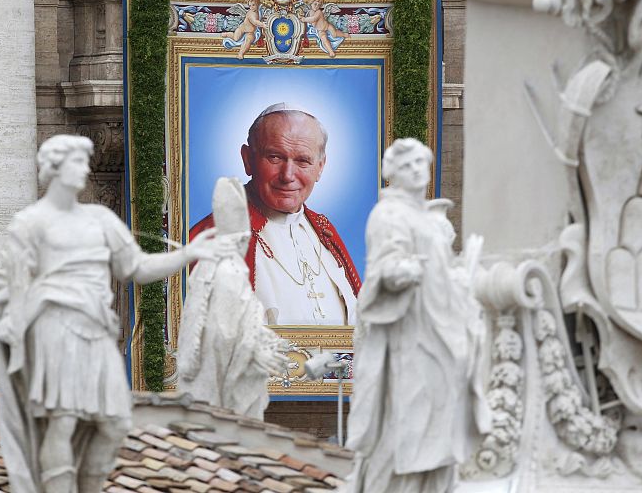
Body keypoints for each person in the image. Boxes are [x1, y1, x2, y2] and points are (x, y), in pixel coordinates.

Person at [0, 135, 220, 493]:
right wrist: (14, 335)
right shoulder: (30, 222)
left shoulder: (100, 218)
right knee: (61, 421)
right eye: (78, 162)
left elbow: (137, 267)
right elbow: (14, 285)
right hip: (54, 325)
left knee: (114, 422)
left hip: (96, 327)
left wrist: (188, 254)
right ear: (55, 167)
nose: (86, 169)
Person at [345, 138, 490, 493]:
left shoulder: (424, 218)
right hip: (410, 339)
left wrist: (463, 271)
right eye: (406, 165)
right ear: (391, 172)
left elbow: (441, 276)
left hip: (440, 336)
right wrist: (399, 273)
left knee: (439, 426)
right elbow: (383, 269)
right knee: (408, 426)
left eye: (420, 163)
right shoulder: (389, 214)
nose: (415, 170)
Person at [190, 103, 360, 326]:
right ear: (248, 159)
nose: (288, 175)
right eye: (275, 157)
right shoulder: (212, 238)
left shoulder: (324, 232)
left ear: (320, 166)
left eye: (303, 161)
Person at [178, 178, 288, 419]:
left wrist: (263, 339)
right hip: (218, 391)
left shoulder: (217, 267)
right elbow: (222, 335)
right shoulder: (228, 272)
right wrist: (256, 351)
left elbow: (242, 319)